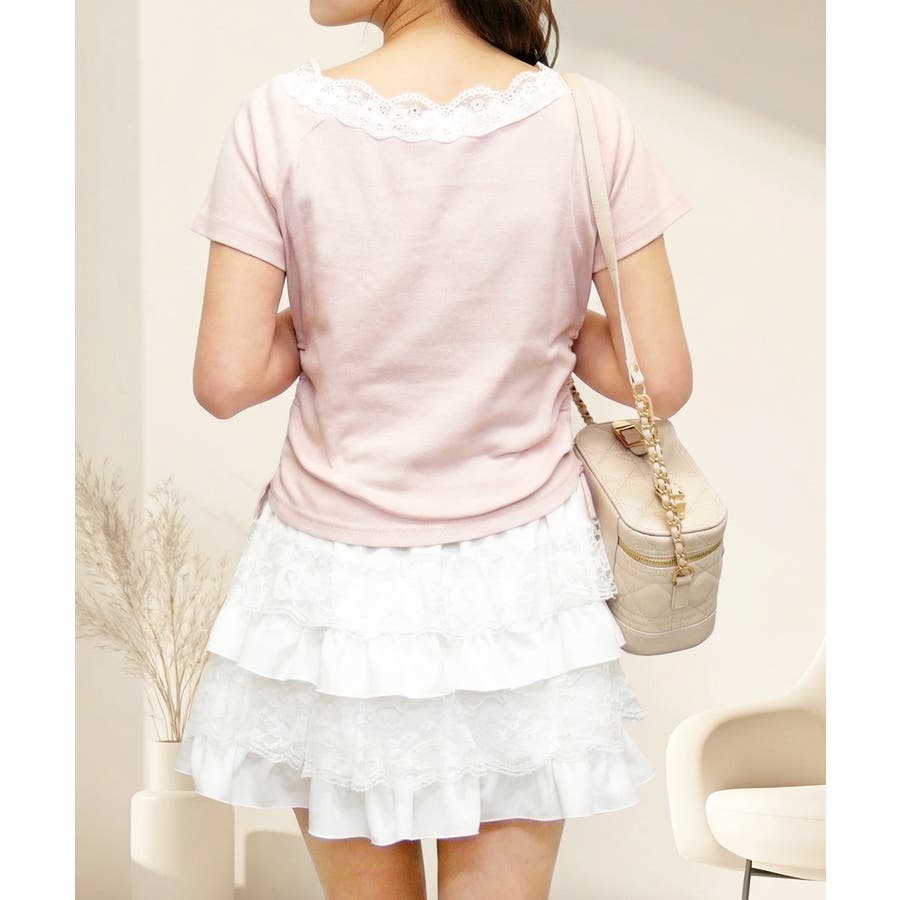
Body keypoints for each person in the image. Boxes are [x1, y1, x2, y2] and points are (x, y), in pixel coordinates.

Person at [175, 0, 694, 897]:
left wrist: (338, 315)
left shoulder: (279, 119)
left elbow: (227, 377)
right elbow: (660, 375)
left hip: (333, 587)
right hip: (522, 587)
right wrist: (536, 314)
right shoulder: (586, 119)